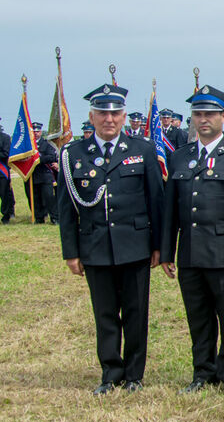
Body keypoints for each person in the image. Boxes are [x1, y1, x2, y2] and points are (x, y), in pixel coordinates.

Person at [56, 84, 164, 395]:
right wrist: (71, 252)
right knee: (104, 313)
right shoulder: (73, 155)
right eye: (102, 113)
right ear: (90, 116)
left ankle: (134, 375)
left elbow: (155, 200)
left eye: (115, 113)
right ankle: (110, 373)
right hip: (95, 246)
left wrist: (158, 245)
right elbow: (66, 209)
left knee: (136, 312)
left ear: (124, 116)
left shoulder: (141, 150)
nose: (109, 119)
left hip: (135, 245)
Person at [160, 85, 224, 397]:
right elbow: (170, 211)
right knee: (198, 316)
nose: (204, 120)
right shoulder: (180, 158)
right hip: (190, 252)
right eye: (198, 114)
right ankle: (203, 371)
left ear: (223, 117)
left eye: (210, 114)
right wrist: (166, 252)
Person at [26, 122, 58, 224]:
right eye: (34, 132)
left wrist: (38, 159)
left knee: (48, 198)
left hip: (45, 175)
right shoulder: (27, 145)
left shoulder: (46, 144)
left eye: (37, 131)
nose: (36, 133)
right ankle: (39, 218)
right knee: (35, 198)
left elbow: (52, 157)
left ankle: (54, 218)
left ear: (41, 132)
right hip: (32, 175)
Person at [0, 119, 14, 224]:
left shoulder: (5, 137)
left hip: (2, 172)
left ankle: (6, 216)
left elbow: (6, 153)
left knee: (4, 195)